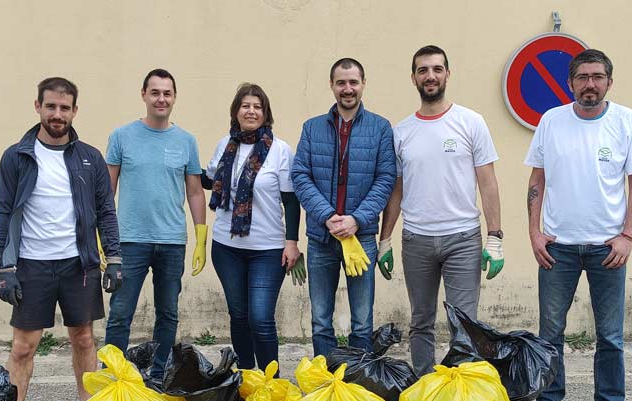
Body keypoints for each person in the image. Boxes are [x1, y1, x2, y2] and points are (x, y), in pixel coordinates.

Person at [524, 49, 632, 401]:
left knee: (610, 335)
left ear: (609, 81)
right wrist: (535, 232)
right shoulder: (551, 121)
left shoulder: (624, 120)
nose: (589, 84)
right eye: (582, 77)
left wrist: (627, 235)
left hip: (607, 247)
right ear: (570, 82)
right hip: (558, 246)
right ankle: (549, 400)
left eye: (597, 76)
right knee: (550, 333)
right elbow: (537, 180)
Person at [0, 77, 123, 401]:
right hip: (32, 264)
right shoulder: (16, 157)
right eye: (50, 106)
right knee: (24, 346)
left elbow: (106, 212)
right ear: (38, 107)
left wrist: (115, 257)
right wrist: (4, 267)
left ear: (75, 111)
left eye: (65, 108)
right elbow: (4, 213)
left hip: (78, 265)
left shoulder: (90, 159)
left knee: (83, 339)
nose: (57, 114)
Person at [380, 45, 504, 377]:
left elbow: (488, 183)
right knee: (420, 321)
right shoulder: (401, 132)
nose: (430, 76)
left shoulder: (470, 122)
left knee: (464, 323)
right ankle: (424, 388)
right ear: (413, 78)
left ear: (448, 74)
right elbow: (396, 190)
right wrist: (385, 239)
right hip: (417, 240)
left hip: (462, 239)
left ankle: (461, 392)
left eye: (437, 69)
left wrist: (495, 238)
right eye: (423, 70)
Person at [103, 69, 208, 378]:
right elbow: (107, 190)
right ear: (144, 95)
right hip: (129, 241)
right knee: (120, 314)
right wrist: (104, 236)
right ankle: (113, 377)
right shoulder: (121, 136)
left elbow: (194, 191)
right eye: (155, 92)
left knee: (168, 314)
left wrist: (201, 237)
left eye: (167, 93)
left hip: (172, 242)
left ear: (174, 97)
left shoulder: (186, 141)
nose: (161, 99)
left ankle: (159, 376)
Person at [292, 57, 396, 357]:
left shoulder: (380, 128)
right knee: (320, 320)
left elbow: (386, 178)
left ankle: (358, 384)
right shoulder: (312, 128)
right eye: (341, 83)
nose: (347, 89)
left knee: (362, 322)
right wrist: (326, 217)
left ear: (363, 84)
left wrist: (357, 219)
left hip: (360, 238)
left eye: (353, 82)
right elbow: (300, 175)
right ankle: (326, 382)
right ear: (332, 86)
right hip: (321, 239)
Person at [205, 83, 304, 372]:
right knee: (238, 316)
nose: (251, 111)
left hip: (267, 249)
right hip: (226, 247)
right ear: (236, 111)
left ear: (266, 113)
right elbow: (210, 181)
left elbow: (291, 201)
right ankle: (247, 379)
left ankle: (270, 382)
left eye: (257, 106)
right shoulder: (225, 146)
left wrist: (292, 242)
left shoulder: (280, 150)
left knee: (260, 318)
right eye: (245, 105)